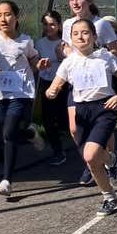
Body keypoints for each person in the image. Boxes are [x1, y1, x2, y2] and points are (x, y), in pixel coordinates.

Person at [45, 18, 117, 216]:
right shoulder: (69, 62)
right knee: (91, 161)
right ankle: (109, 195)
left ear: (95, 36)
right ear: (70, 38)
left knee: (90, 154)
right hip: (81, 110)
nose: (80, 37)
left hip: (103, 108)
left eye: (85, 32)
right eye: (75, 34)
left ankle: (111, 160)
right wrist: (51, 92)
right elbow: (54, 86)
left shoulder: (105, 57)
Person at [0, 0, 48, 197]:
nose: (3, 19)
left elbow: (34, 61)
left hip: (21, 92)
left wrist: (39, 64)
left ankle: (6, 181)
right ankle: (30, 135)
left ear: (16, 17)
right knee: (9, 130)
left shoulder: (25, 40)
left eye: (7, 14)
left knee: (8, 134)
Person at [62, 0, 117, 185]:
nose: (75, 3)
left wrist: (97, 55)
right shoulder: (67, 24)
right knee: (74, 129)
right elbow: (65, 48)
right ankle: (91, 163)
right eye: (71, 0)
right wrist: (72, 56)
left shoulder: (102, 25)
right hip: (78, 81)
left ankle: (109, 160)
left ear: (89, 0)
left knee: (104, 131)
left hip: (99, 81)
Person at [35, 11, 69, 165]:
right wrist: (41, 65)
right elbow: (36, 64)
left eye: (52, 24)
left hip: (63, 84)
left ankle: (78, 143)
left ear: (59, 26)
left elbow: (71, 64)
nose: (48, 27)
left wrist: (60, 56)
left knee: (64, 118)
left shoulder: (64, 42)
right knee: (48, 120)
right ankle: (57, 150)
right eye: (45, 24)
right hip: (47, 82)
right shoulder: (40, 43)